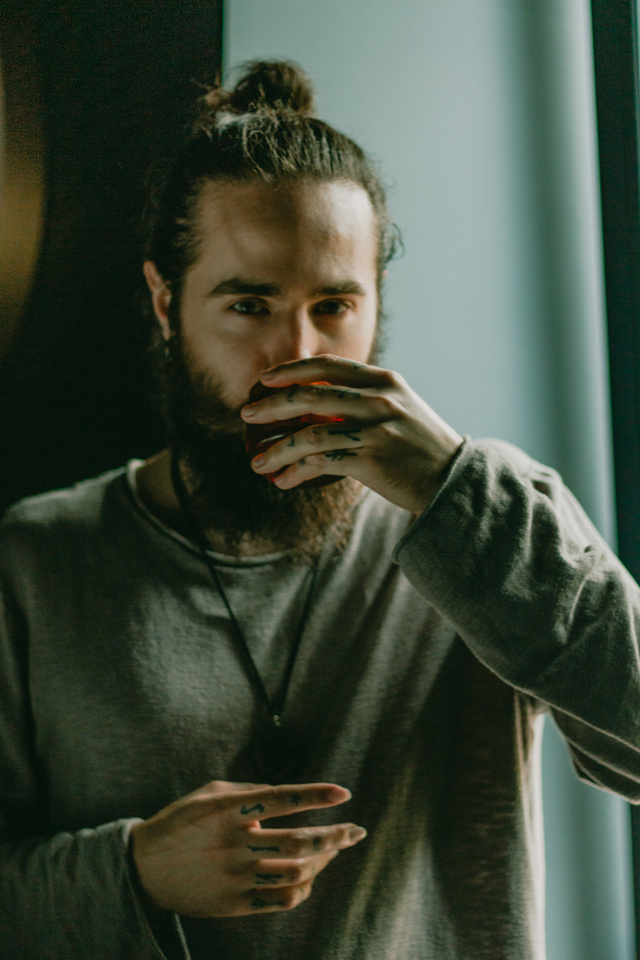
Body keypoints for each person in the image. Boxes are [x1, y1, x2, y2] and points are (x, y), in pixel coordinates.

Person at [1, 60, 639, 960]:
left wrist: (455, 488)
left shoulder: (490, 524)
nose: (296, 355)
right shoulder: (36, 560)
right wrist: (133, 872)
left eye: (334, 305)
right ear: (165, 304)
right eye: (249, 305)